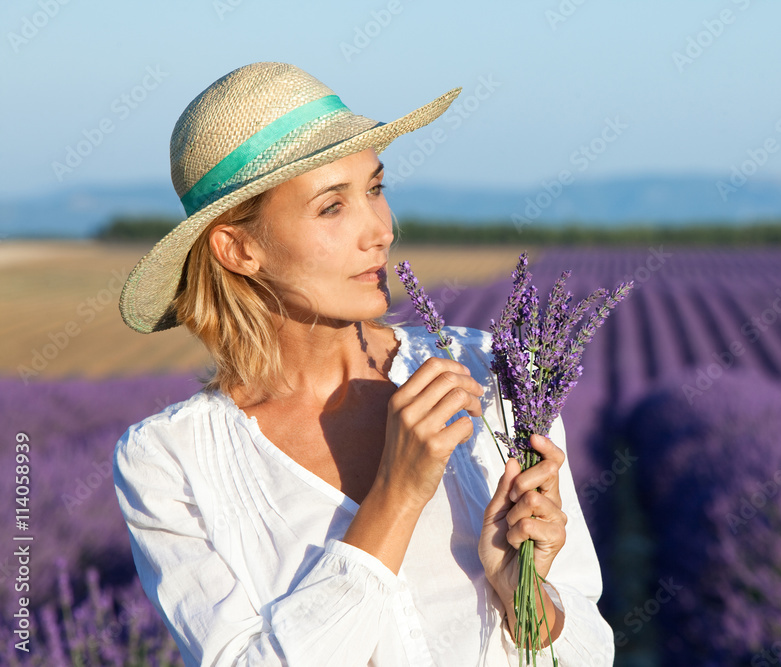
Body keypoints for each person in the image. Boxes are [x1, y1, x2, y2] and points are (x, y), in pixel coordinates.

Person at [112, 62, 614, 666]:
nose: (380, 230)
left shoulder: (494, 377)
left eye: (375, 189)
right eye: (332, 207)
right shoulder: (170, 461)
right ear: (240, 248)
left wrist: (524, 598)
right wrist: (395, 496)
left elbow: (590, 651)